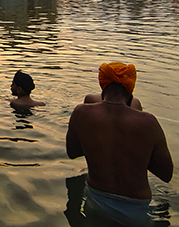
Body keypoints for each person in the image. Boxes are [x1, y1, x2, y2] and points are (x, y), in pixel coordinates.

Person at [65, 62, 173, 227]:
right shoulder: (148, 122)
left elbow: (72, 153)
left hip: (96, 201)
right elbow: (166, 174)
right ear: (131, 87)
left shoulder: (81, 113)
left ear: (103, 84)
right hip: (136, 210)